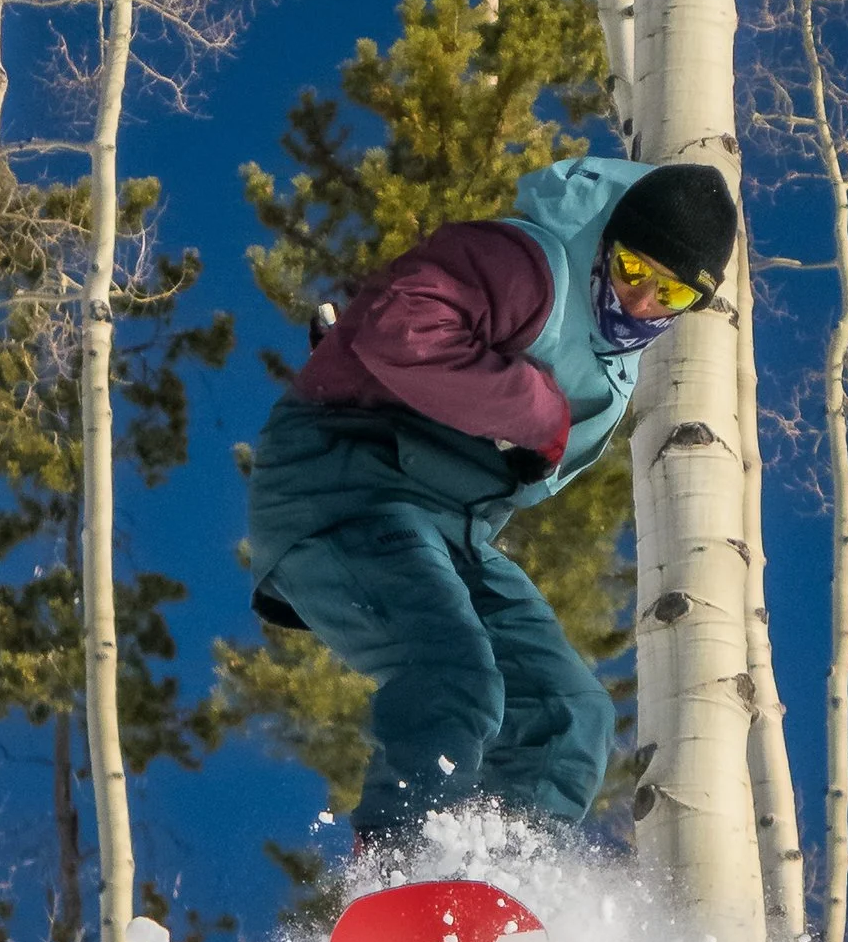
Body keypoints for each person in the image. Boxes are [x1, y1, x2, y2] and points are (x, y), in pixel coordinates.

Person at [245, 153, 741, 846]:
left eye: (674, 296)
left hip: (451, 527)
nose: (642, 303)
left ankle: (498, 891)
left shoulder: (612, 373)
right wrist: (535, 407)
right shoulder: (528, 263)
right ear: (608, 243)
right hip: (342, 482)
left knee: (567, 713)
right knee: (453, 675)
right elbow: (403, 329)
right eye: (633, 271)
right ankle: (400, 867)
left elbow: (529, 474)